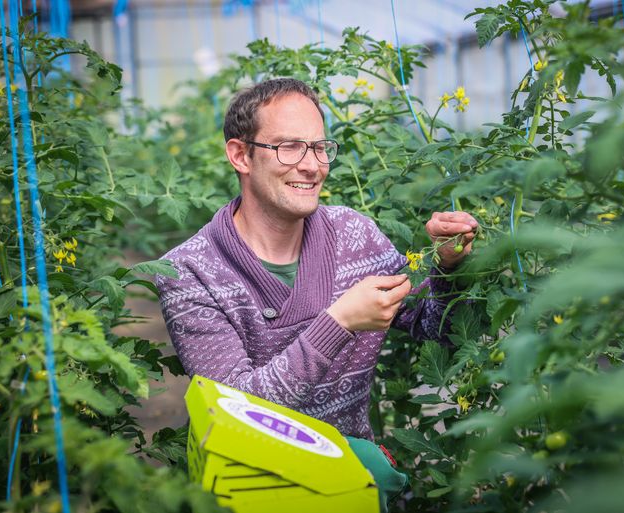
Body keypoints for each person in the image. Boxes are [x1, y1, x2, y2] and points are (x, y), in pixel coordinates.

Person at [156, 78, 477, 511]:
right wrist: (338, 323)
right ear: (240, 155)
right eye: (289, 147)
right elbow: (236, 416)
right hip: (253, 493)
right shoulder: (189, 272)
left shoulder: (353, 235)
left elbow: (441, 327)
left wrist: (449, 267)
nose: (312, 165)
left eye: (320, 147)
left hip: (351, 485)